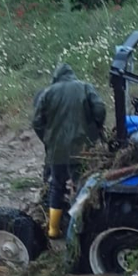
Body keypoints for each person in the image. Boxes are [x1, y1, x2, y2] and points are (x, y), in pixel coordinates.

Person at [33, 63, 106, 239]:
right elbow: (100, 109)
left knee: (56, 186)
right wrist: (95, 128)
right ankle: (80, 228)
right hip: (82, 149)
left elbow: (36, 122)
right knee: (82, 185)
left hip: (57, 150)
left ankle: (53, 229)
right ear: (71, 75)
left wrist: (47, 139)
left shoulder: (47, 92)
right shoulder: (85, 87)